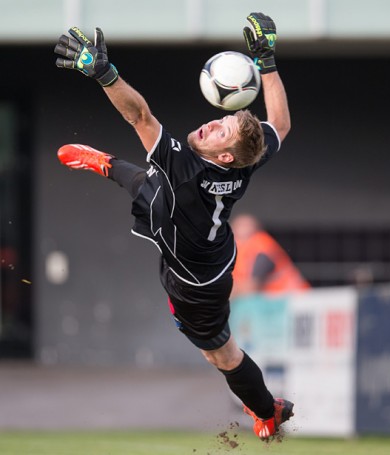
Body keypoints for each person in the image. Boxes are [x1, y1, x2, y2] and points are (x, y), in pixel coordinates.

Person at [53, 12, 293, 441]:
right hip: (200, 251)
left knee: (221, 356)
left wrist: (103, 72)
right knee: (153, 191)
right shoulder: (244, 160)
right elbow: (282, 123)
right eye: (225, 117)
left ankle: (265, 408)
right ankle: (266, 411)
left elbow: (140, 116)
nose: (214, 122)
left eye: (223, 130)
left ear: (224, 157)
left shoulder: (185, 167)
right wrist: (267, 60)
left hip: (197, 282)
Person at [231, 214, 310, 297]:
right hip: (280, 300)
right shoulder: (239, 251)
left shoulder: (261, 246)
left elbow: (252, 286)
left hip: (294, 299)